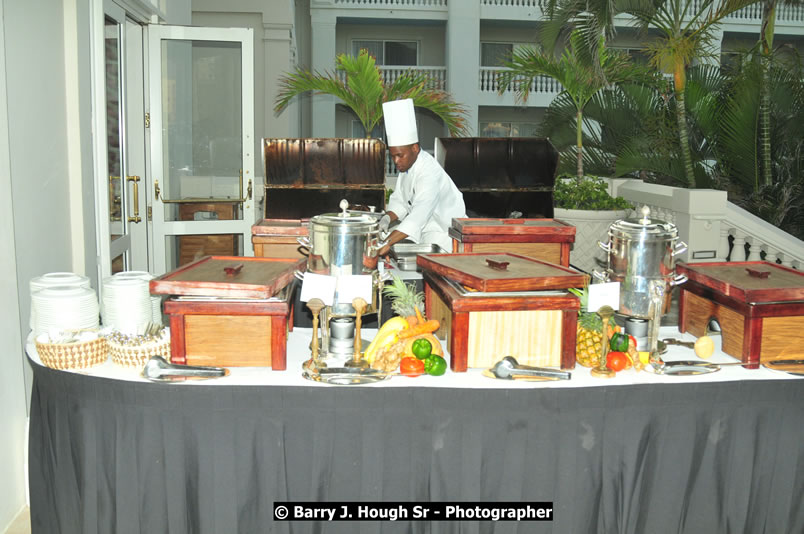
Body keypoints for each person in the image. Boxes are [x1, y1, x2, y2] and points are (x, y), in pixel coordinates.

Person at [377, 99, 466, 256]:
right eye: (392, 156)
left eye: (400, 155)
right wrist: (386, 218)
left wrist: (387, 242)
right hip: (428, 235)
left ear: (415, 148)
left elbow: (419, 215)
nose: (396, 161)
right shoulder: (407, 167)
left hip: (447, 239)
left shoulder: (429, 172)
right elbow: (401, 202)